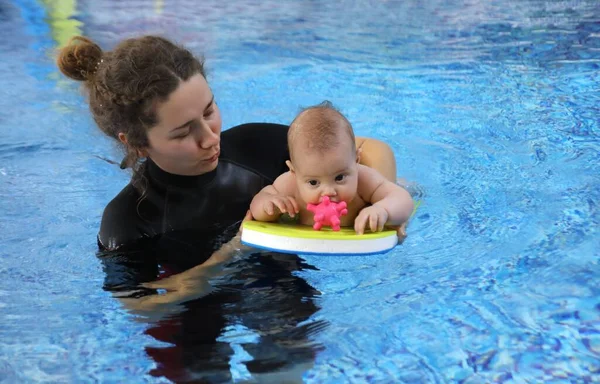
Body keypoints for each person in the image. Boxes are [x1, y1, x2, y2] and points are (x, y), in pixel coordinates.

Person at [56, 35, 409, 381]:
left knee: (285, 359)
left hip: (273, 284)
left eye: (209, 111)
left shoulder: (254, 146)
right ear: (137, 144)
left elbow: (371, 150)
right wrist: (230, 254)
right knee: (197, 369)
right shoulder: (128, 219)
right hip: (192, 304)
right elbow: (140, 306)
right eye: (182, 133)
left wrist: (373, 201)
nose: (210, 138)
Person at [250, 101, 414, 234]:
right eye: (314, 182)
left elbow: (403, 199)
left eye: (340, 178)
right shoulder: (289, 184)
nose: (329, 191)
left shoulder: (365, 180)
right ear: (294, 172)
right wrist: (268, 205)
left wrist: (383, 210)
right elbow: (257, 205)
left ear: (357, 160)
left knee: (403, 187)